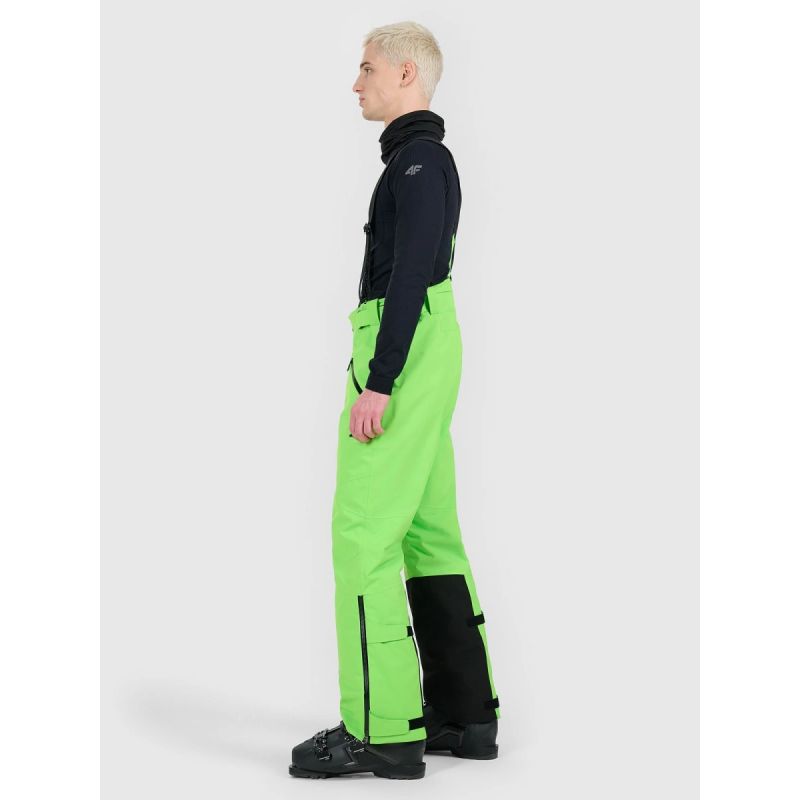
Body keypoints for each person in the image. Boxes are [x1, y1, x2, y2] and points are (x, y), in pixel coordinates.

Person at [289, 20, 500, 780]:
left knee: (364, 536)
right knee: (427, 532)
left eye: (368, 68)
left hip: (402, 347)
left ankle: (381, 730)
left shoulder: (417, 163)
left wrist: (379, 379)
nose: (357, 83)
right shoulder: (425, 161)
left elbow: (409, 273)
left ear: (407, 74)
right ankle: (464, 718)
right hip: (431, 344)